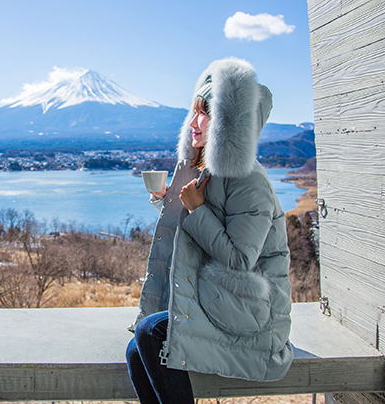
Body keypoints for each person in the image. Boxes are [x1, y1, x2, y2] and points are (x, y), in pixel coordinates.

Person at [125, 57, 294, 403]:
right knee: (134, 349)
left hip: (248, 312)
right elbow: (197, 235)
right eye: (195, 111)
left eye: (208, 114)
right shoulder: (207, 170)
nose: (195, 122)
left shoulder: (249, 181)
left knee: (150, 332)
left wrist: (196, 209)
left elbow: (239, 258)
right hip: (218, 299)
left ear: (232, 127)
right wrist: (167, 202)